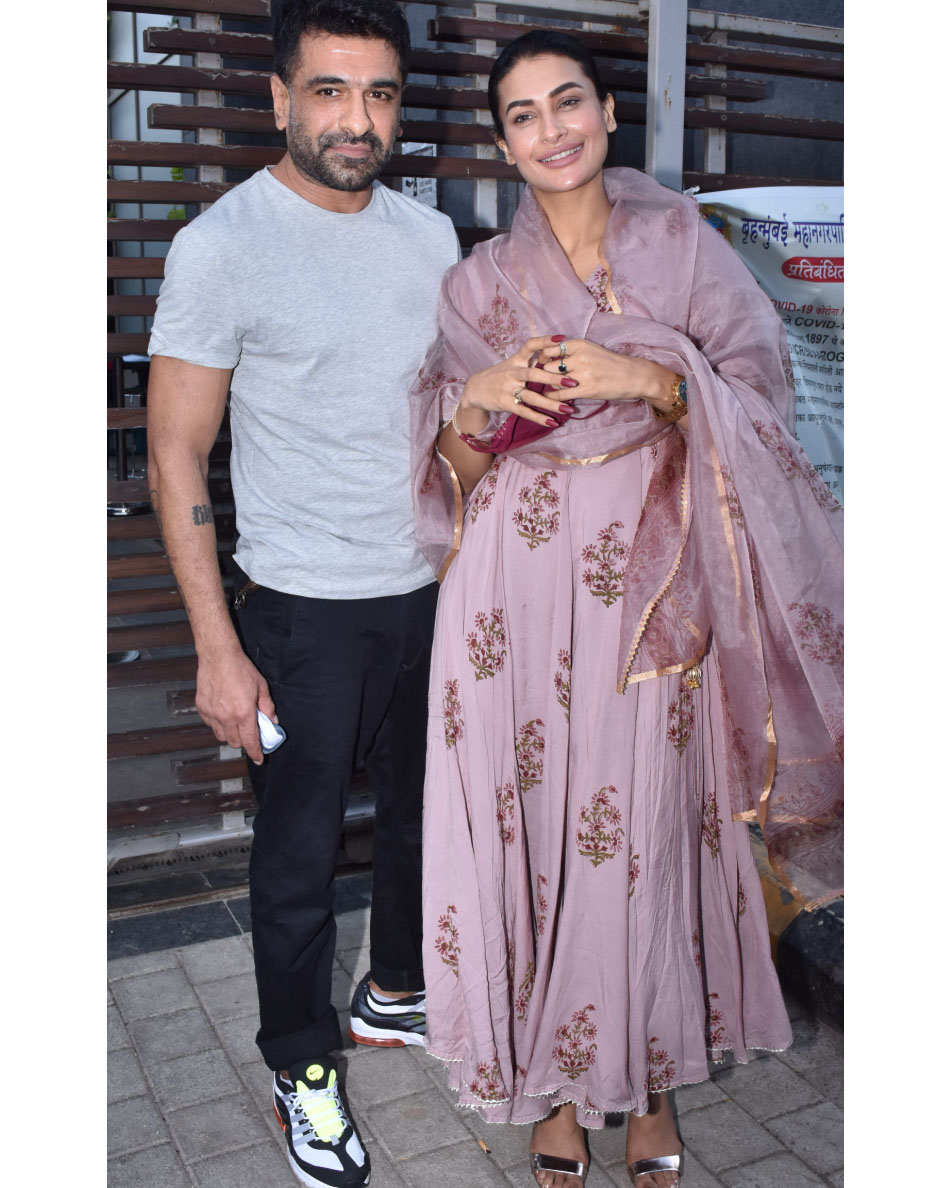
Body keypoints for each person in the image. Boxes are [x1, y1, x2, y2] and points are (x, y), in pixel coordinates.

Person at [410, 30, 843, 1188]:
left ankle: (643, 1081)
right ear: (502, 144)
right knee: (538, 826)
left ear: (606, 114)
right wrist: (474, 402)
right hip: (510, 591)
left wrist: (648, 379)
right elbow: (451, 475)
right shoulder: (473, 286)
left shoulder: (684, 249)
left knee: (637, 823)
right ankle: (555, 1090)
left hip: (648, 582)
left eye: (567, 103)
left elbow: (761, 403)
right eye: (521, 115)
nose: (548, 129)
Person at [146, 1, 459, 1183]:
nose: (355, 119)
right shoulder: (221, 245)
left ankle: (394, 993)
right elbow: (175, 454)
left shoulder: (431, 237)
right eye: (328, 90)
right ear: (279, 98)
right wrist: (216, 648)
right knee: (296, 861)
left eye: (378, 93)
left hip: (425, 590)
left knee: (424, 824)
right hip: (300, 613)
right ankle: (301, 1068)